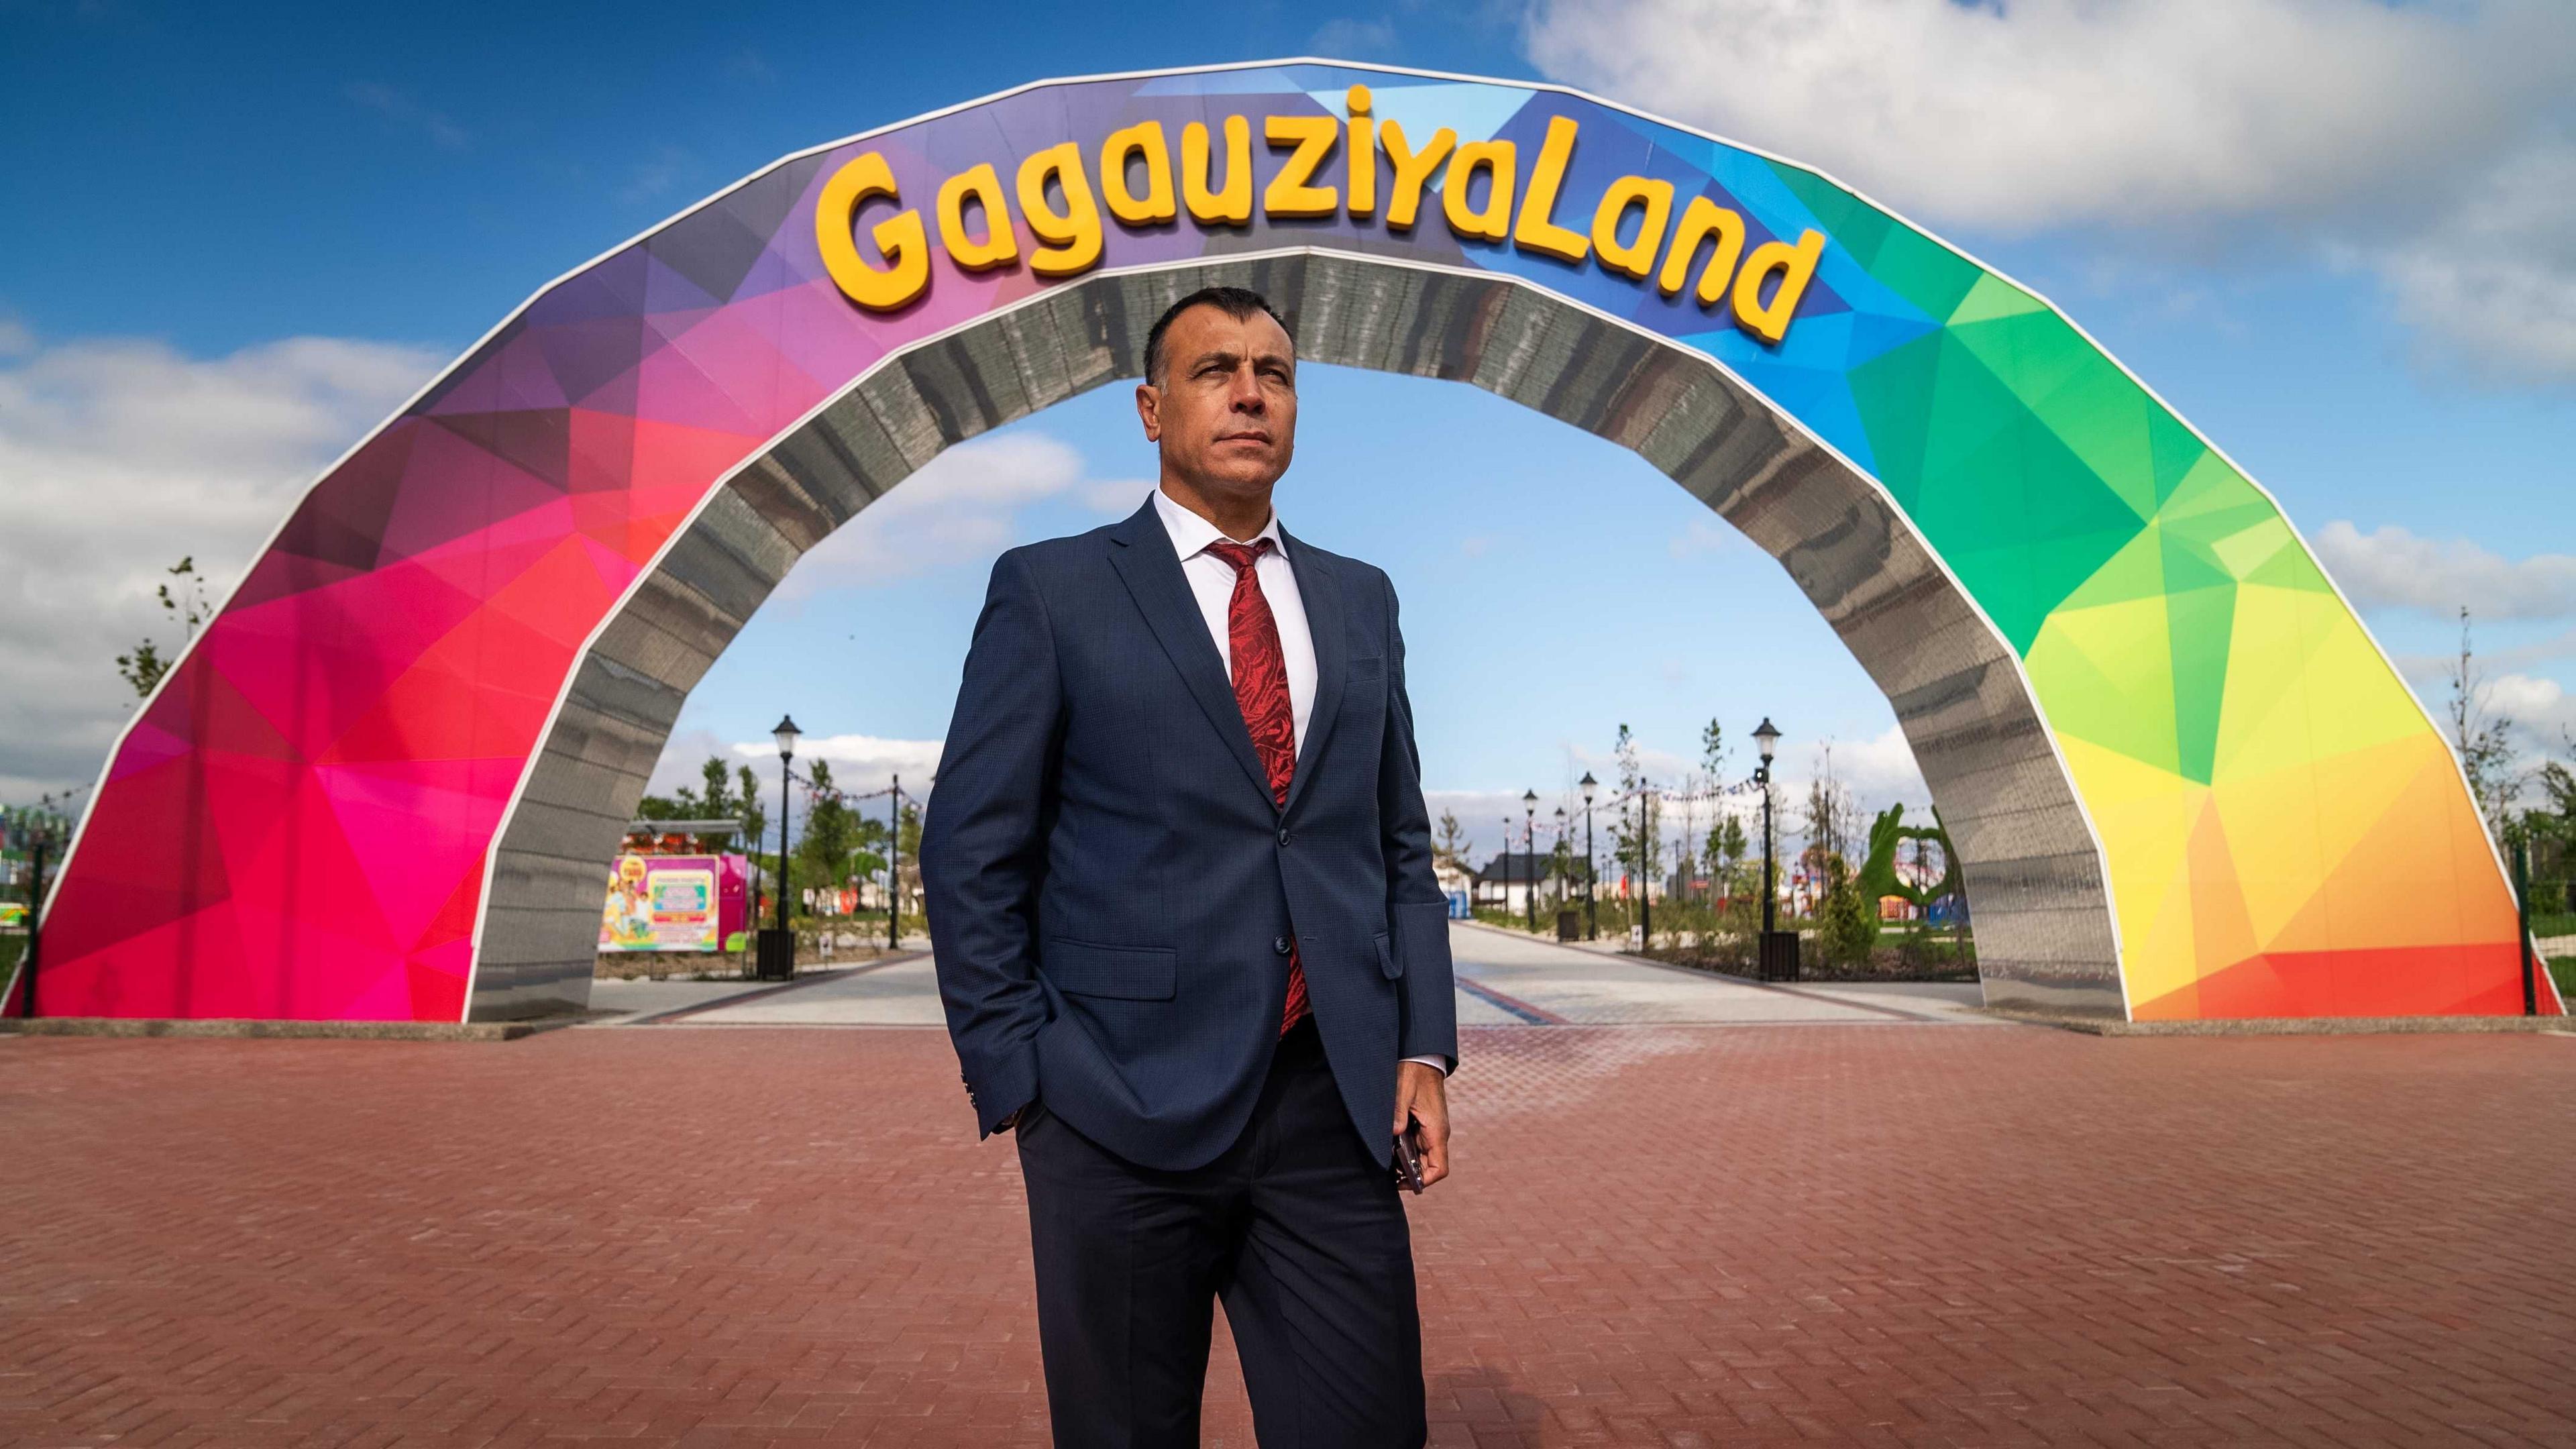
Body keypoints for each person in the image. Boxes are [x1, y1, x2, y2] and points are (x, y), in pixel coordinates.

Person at [920, 285, 1458, 1447]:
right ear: (1152, 409)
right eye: (1217, 370)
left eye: (1275, 370)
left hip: (1330, 1105)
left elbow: (1398, 844)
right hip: (1113, 1111)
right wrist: (1021, 1077)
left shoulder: (1361, 600)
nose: (1251, 392)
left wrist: (1422, 1042)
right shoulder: (1053, 591)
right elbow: (970, 848)